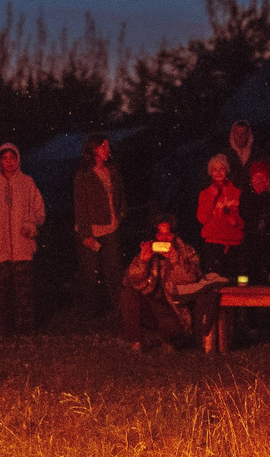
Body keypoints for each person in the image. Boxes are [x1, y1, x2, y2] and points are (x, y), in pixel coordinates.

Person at [0, 142, 46, 337]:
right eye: (5, 159)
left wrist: (30, 225)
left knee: (23, 292)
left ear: (18, 160)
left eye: (12, 158)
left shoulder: (27, 183)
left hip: (22, 247)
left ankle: (25, 330)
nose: (9, 162)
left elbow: (39, 209)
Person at [121, 218, 217, 352]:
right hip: (152, 306)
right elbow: (131, 279)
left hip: (175, 310)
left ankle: (168, 339)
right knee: (128, 293)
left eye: (168, 234)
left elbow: (190, 279)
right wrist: (143, 262)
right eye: (160, 234)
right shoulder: (150, 250)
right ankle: (136, 341)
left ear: (175, 235)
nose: (164, 239)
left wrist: (175, 260)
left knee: (172, 330)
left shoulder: (187, 252)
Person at [72, 137, 125, 324]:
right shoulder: (83, 176)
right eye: (103, 146)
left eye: (107, 145)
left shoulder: (112, 171)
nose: (106, 149)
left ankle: (119, 309)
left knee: (114, 270)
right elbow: (80, 206)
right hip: (92, 229)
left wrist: (121, 213)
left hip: (111, 228)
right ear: (94, 149)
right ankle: (91, 312)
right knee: (91, 273)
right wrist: (85, 233)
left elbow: (120, 195)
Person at [196, 154, 246, 279]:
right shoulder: (205, 193)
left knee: (233, 283)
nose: (218, 173)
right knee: (214, 282)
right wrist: (212, 197)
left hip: (233, 245)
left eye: (221, 169)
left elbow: (245, 219)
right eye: (215, 169)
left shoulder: (237, 192)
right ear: (210, 172)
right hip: (213, 245)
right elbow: (202, 219)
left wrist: (236, 221)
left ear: (227, 171)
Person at [242, 160, 270, 283]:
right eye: (255, 177)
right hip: (251, 247)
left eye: (262, 177)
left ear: (268, 180)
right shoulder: (245, 197)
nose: (259, 181)